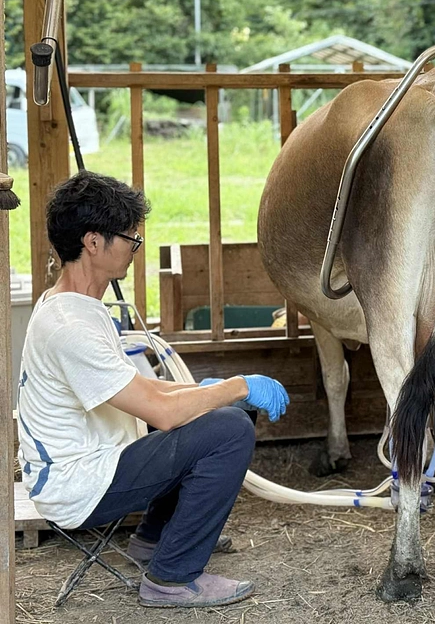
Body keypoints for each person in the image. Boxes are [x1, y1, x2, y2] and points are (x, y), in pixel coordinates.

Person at [16, 171, 290, 608]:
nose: (135, 249)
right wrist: (236, 385)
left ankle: (154, 540)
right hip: (77, 484)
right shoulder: (70, 326)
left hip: (99, 460)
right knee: (230, 429)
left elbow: (136, 389)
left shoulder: (78, 307)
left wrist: (202, 390)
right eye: (131, 239)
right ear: (93, 242)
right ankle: (171, 578)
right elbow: (160, 413)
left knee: (226, 411)